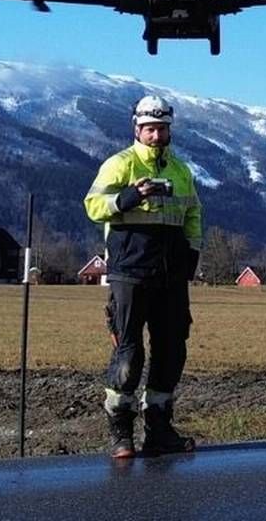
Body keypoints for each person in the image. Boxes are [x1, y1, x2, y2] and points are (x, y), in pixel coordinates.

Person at [83, 94, 203, 459]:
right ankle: (121, 433)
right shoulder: (120, 165)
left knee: (171, 351)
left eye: (161, 129)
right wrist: (128, 197)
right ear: (137, 129)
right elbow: (92, 205)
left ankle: (159, 430)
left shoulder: (181, 170)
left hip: (171, 275)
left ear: (169, 131)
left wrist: (192, 254)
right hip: (130, 273)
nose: (155, 135)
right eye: (149, 129)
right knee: (128, 355)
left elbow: (194, 212)